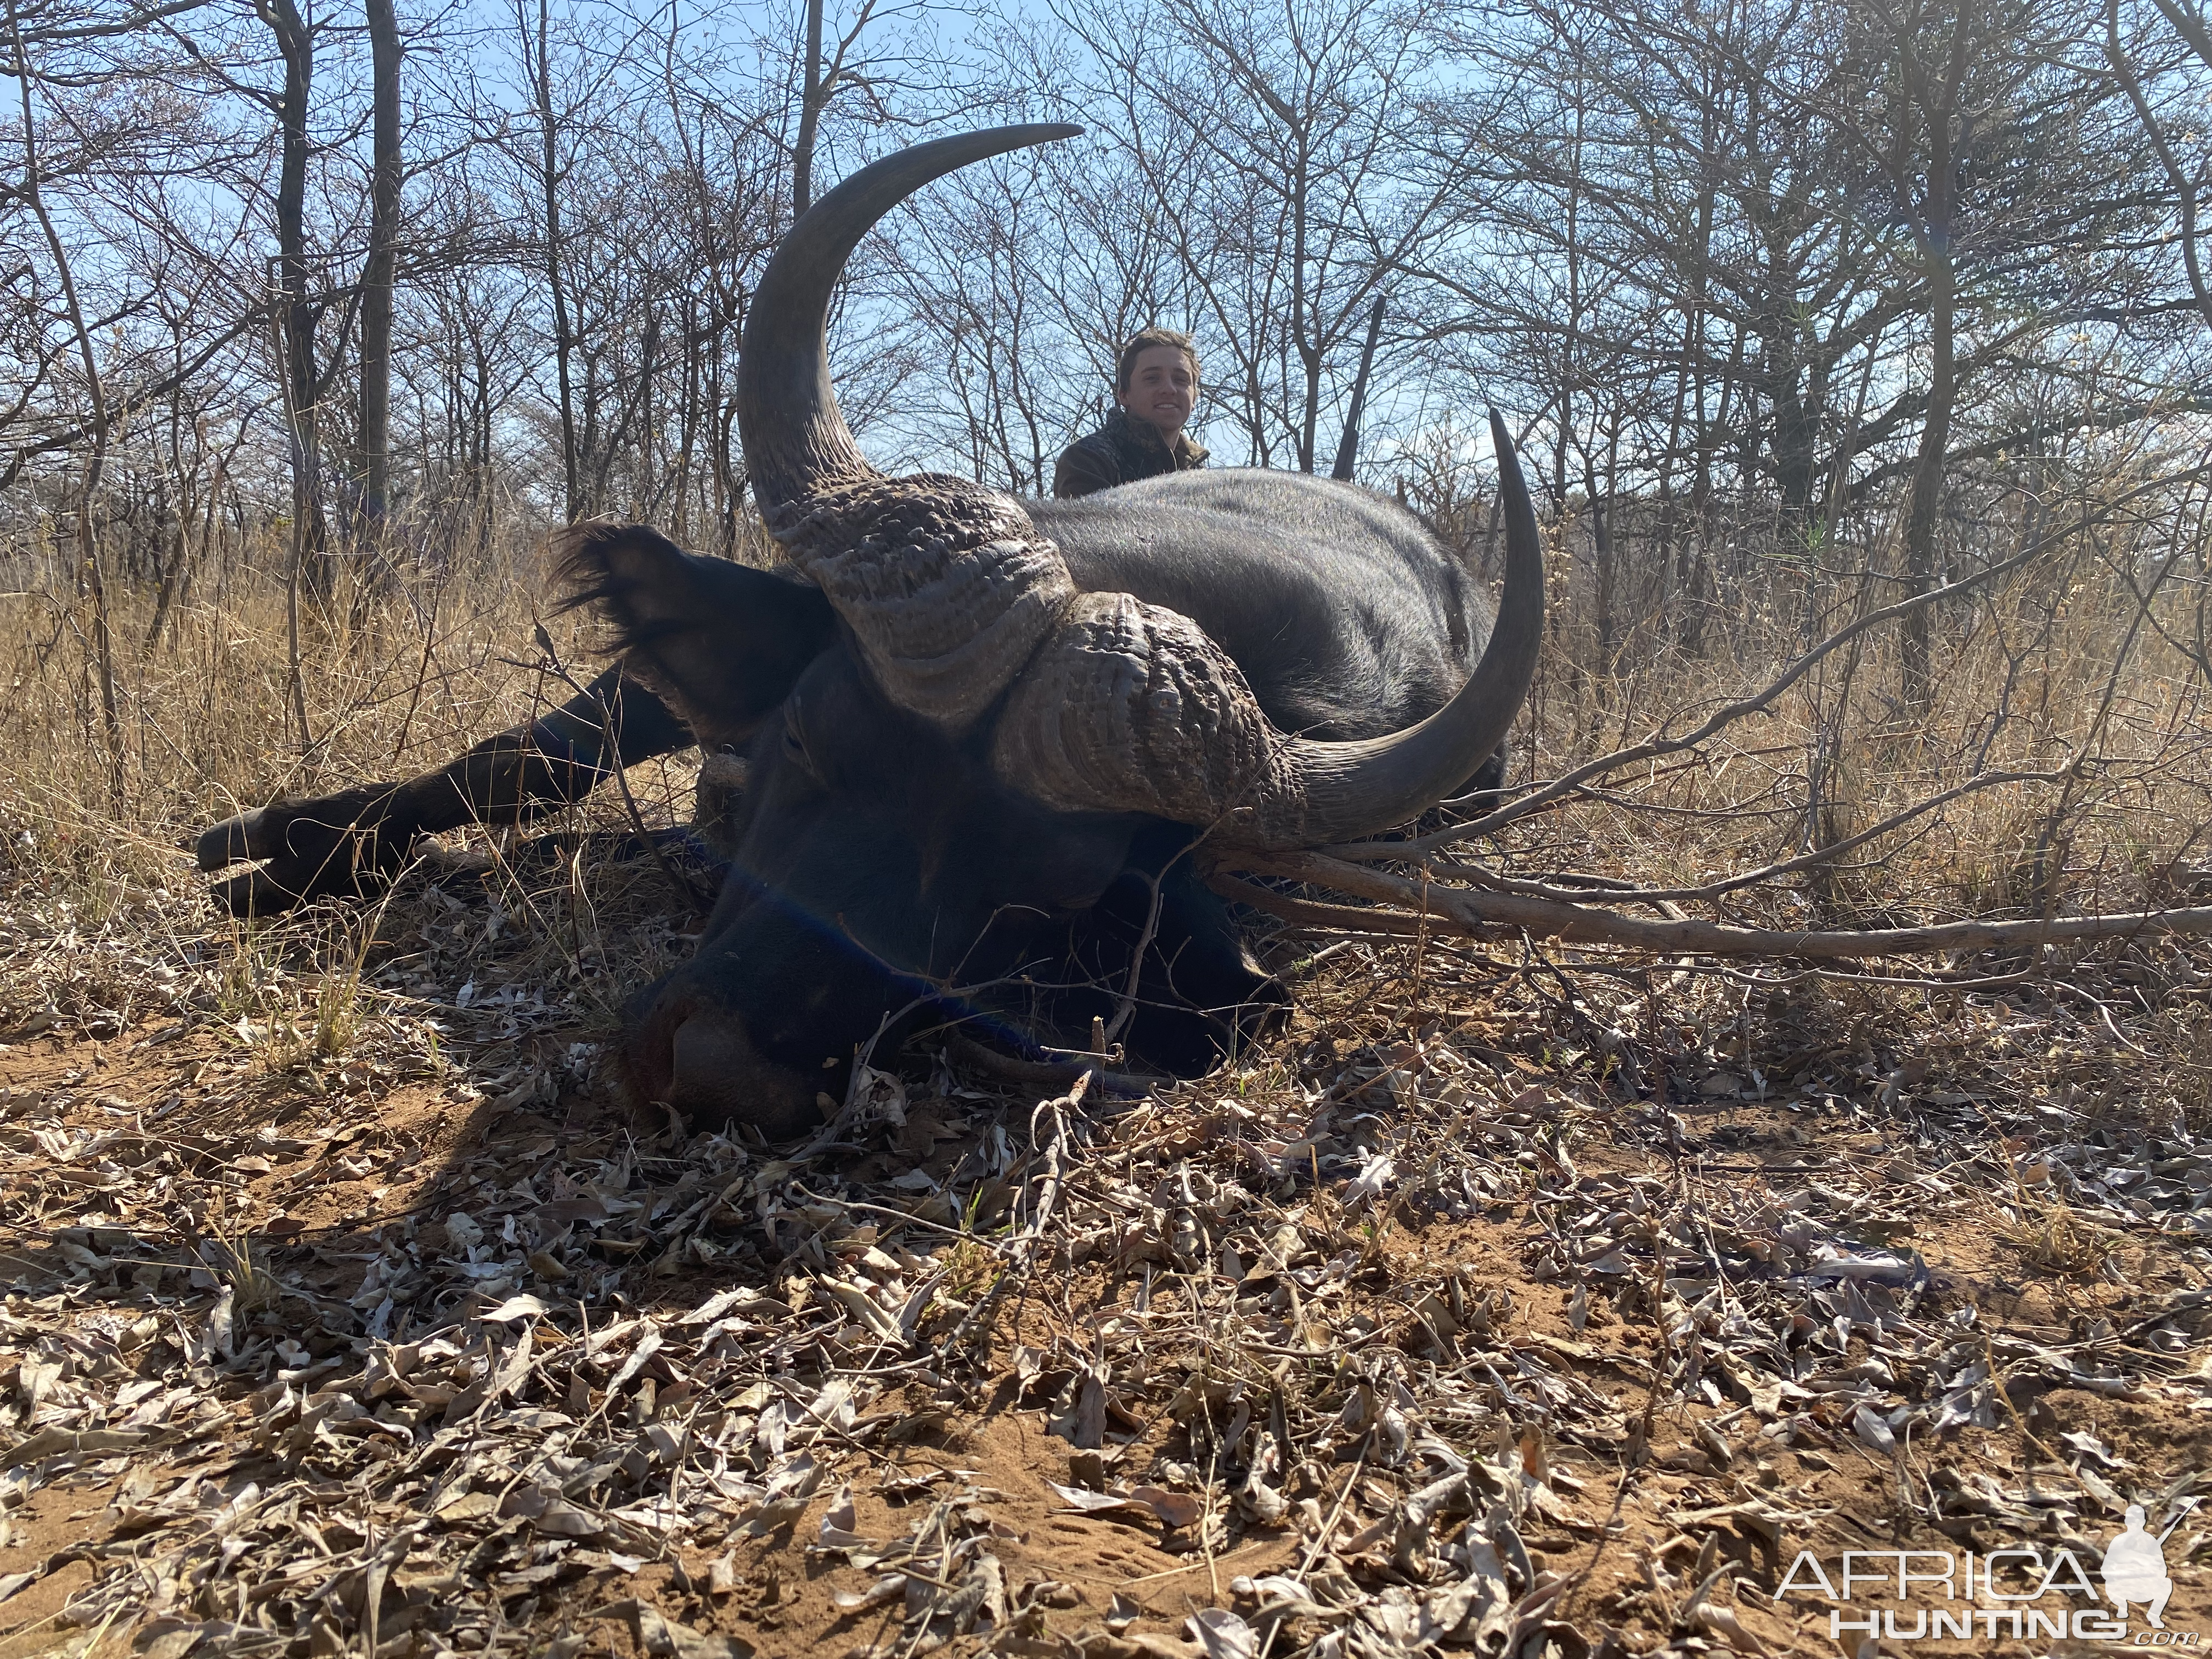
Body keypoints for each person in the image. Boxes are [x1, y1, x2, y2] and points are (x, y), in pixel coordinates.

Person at [1053, 328, 1209, 498]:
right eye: (1152, 378)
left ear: (1195, 398)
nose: (1169, 389)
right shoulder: (1086, 459)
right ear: (1124, 395)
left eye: (1181, 380)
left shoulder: (1202, 477)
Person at [2103, 1505, 2174, 1629]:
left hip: (2144, 1585)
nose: (2133, 1523)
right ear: (2126, 1522)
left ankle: (2154, 1615)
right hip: (2122, 1585)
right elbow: (2106, 1569)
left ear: (2143, 1522)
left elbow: (2162, 1569)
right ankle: (2122, 1609)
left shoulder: (2151, 1541)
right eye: (2130, 1520)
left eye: (2136, 1520)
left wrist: (2148, 1569)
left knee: (2167, 1583)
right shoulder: (2118, 1540)